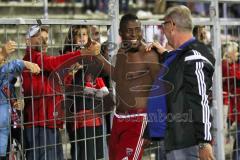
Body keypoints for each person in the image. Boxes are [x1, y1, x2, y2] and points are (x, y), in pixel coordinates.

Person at [146, 5, 215, 160]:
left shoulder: (194, 56)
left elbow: (200, 100)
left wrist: (204, 142)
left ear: (172, 25)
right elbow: (177, 71)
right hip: (171, 138)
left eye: (164, 25)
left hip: (185, 142)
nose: (163, 30)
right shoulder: (180, 55)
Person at [22, 25, 100, 160]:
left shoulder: (41, 59)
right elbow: (53, 63)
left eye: (46, 38)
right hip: (39, 123)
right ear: (28, 41)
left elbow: (56, 84)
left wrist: (69, 74)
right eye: (40, 39)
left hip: (49, 121)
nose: (45, 42)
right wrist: (82, 53)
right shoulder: (32, 57)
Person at [92, 13, 162, 160]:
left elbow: (160, 90)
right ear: (121, 33)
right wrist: (98, 56)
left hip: (138, 120)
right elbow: (118, 77)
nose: (135, 34)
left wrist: (152, 127)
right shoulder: (122, 50)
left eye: (138, 29)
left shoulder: (150, 54)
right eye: (130, 31)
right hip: (118, 118)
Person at [63, 25, 108, 160]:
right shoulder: (68, 55)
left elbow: (105, 72)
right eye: (79, 35)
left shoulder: (92, 55)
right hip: (78, 110)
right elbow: (64, 83)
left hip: (95, 109)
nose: (82, 38)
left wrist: (98, 55)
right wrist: (73, 69)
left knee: (97, 151)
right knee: (83, 151)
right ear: (73, 38)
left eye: (84, 34)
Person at [0, 40, 40, 159]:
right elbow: (6, 69)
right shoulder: (3, 75)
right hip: (3, 129)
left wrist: (16, 104)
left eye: (3, 60)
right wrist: (23, 63)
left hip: (11, 123)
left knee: (26, 144)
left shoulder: (7, 83)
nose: (3, 62)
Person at [222, 41, 240, 160]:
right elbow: (229, 78)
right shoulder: (226, 65)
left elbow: (235, 76)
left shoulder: (234, 65)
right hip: (230, 105)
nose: (237, 54)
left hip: (235, 106)